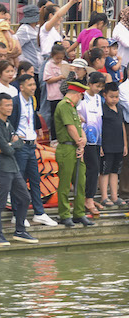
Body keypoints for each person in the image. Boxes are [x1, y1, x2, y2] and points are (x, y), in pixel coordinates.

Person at [0, 93, 37, 246]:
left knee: (25, 198)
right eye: (6, 105)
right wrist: (10, 145)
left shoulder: (8, 123)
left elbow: (19, 143)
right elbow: (8, 149)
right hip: (1, 169)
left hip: (13, 168)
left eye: (11, 105)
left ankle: (20, 231)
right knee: (0, 203)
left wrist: (10, 145)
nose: (10, 108)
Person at [8, 75, 57, 226]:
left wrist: (36, 132)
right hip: (20, 145)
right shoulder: (15, 102)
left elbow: (32, 118)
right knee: (20, 180)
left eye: (33, 84)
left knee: (35, 180)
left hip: (31, 144)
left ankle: (39, 213)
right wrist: (13, 136)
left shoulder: (32, 101)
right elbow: (8, 121)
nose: (33, 87)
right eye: (29, 85)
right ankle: (17, 214)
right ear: (21, 87)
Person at [54, 80, 92, 227]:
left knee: (80, 182)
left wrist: (82, 142)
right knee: (65, 183)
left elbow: (78, 126)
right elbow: (70, 127)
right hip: (67, 147)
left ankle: (79, 213)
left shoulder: (72, 107)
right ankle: (64, 214)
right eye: (81, 96)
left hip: (75, 147)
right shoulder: (64, 105)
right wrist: (79, 142)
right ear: (77, 94)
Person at [77, 71, 106, 217]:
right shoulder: (82, 97)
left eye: (101, 86)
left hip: (97, 139)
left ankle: (89, 197)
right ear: (89, 83)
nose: (98, 89)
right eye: (96, 85)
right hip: (85, 139)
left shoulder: (99, 99)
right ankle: (87, 199)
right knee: (91, 169)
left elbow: (99, 119)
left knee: (95, 169)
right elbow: (77, 116)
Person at [100, 83, 126, 208]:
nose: (114, 99)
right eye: (112, 97)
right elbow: (98, 128)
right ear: (104, 95)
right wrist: (100, 145)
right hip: (107, 145)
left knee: (115, 171)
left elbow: (122, 126)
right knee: (105, 171)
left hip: (118, 145)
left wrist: (125, 144)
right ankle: (104, 196)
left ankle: (114, 196)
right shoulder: (102, 109)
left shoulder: (120, 108)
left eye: (116, 96)